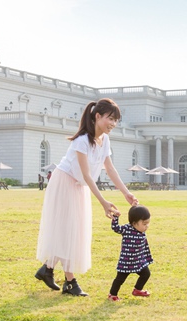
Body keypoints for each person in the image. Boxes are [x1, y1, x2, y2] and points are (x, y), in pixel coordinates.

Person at [34, 98, 139, 297]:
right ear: (97, 116)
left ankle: (48, 269)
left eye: (116, 120)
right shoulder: (82, 141)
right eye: (110, 118)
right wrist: (103, 202)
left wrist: (126, 193)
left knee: (72, 230)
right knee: (68, 230)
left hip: (79, 185)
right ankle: (69, 281)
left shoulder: (105, 140)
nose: (113, 124)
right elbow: (87, 174)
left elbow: (110, 168)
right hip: (65, 181)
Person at [107, 205, 153, 301]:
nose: (146, 226)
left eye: (148, 223)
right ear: (134, 223)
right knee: (119, 279)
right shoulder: (127, 229)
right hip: (126, 262)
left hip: (138, 260)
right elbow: (115, 228)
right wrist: (115, 217)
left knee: (146, 274)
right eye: (144, 224)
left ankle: (137, 290)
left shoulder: (141, 231)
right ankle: (112, 294)